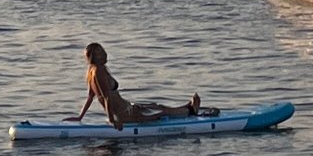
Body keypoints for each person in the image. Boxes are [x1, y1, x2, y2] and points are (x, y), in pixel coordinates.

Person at [65, 42, 218, 130]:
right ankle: (190, 111)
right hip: (125, 115)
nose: (105, 54)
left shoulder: (92, 70)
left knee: (154, 105)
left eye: (103, 51)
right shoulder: (98, 71)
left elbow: (91, 96)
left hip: (126, 109)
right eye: (100, 53)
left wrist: (80, 117)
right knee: (160, 111)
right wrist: (113, 121)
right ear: (94, 57)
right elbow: (105, 97)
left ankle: (187, 108)